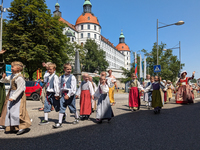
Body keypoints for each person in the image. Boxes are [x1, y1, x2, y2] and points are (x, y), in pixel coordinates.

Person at [0, 61, 31, 135]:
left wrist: (13, 97)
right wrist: (3, 78)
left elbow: (20, 89)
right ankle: (13, 127)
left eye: (12, 67)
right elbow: (6, 80)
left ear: (18, 68)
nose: (11, 68)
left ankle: (22, 127)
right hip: (11, 94)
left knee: (18, 112)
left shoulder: (19, 78)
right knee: (10, 111)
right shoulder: (12, 76)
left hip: (18, 96)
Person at [53, 63, 79, 128]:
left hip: (70, 95)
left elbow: (73, 88)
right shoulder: (61, 77)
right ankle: (59, 122)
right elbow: (59, 86)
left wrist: (68, 95)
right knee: (62, 108)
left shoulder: (72, 77)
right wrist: (57, 94)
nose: (69, 70)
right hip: (63, 94)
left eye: (70, 69)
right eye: (68, 69)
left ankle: (77, 118)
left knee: (72, 107)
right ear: (64, 69)